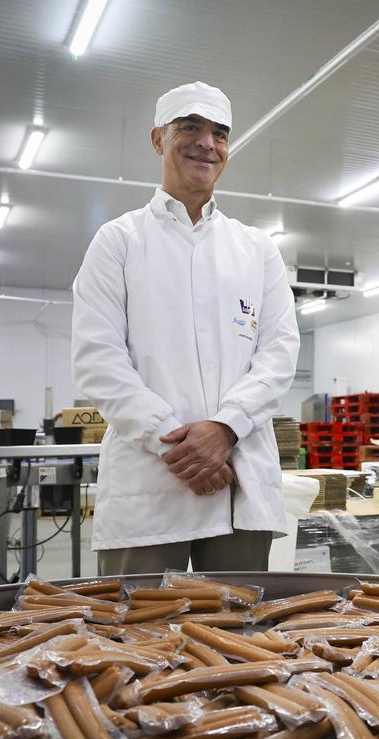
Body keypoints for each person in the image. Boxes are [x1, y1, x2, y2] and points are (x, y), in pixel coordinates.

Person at [72, 81, 299, 577]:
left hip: (238, 479)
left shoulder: (257, 249)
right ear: (158, 139)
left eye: (219, 133)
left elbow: (279, 354)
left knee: (241, 620)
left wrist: (226, 428)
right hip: (151, 483)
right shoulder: (118, 242)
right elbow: (98, 360)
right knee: (137, 622)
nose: (206, 143)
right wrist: (177, 444)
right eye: (190, 127)